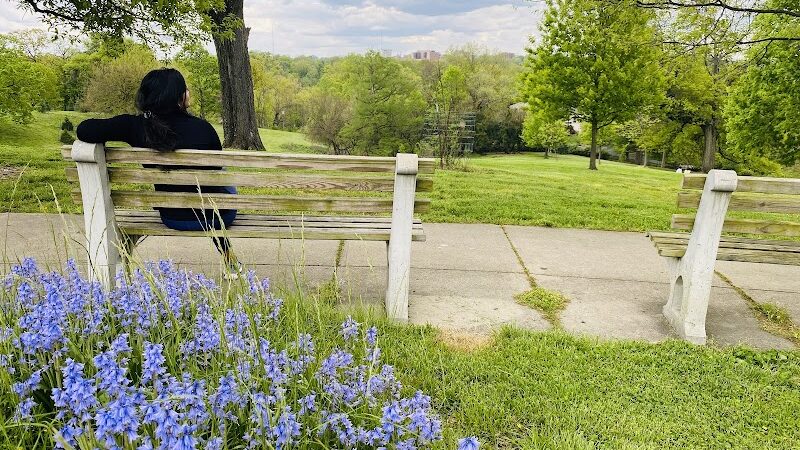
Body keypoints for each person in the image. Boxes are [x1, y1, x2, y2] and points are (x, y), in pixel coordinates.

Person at [76, 68, 240, 274]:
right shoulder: (203, 128)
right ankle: (231, 261)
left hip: (171, 216)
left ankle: (121, 264)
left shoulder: (134, 126)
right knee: (222, 183)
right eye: (185, 89)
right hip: (217, 217)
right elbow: (216, 171)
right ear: (179, 97)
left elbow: (84, 129)